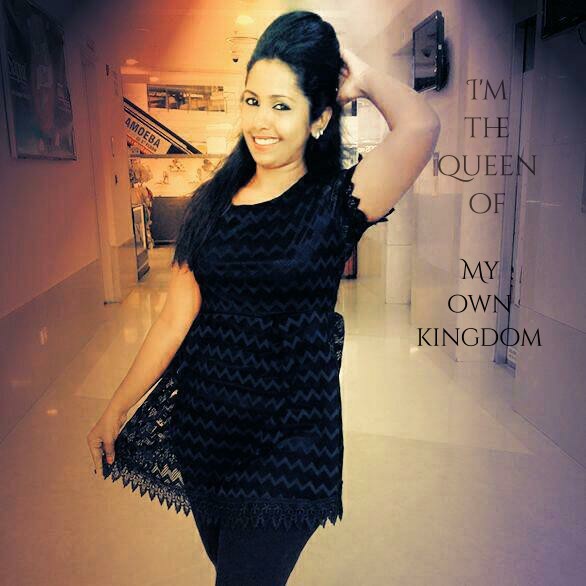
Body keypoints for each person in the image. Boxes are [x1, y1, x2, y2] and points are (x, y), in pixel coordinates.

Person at [87, 10, 440, 585]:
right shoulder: (212, 200)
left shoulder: (335, 203)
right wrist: (117, 406)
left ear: (319, 118)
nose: (261, 121)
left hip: (288, 447)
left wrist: (364, 75)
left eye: (282, 105)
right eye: (253, 100)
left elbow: (421, 126)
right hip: (205, 432)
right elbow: (176, 317)